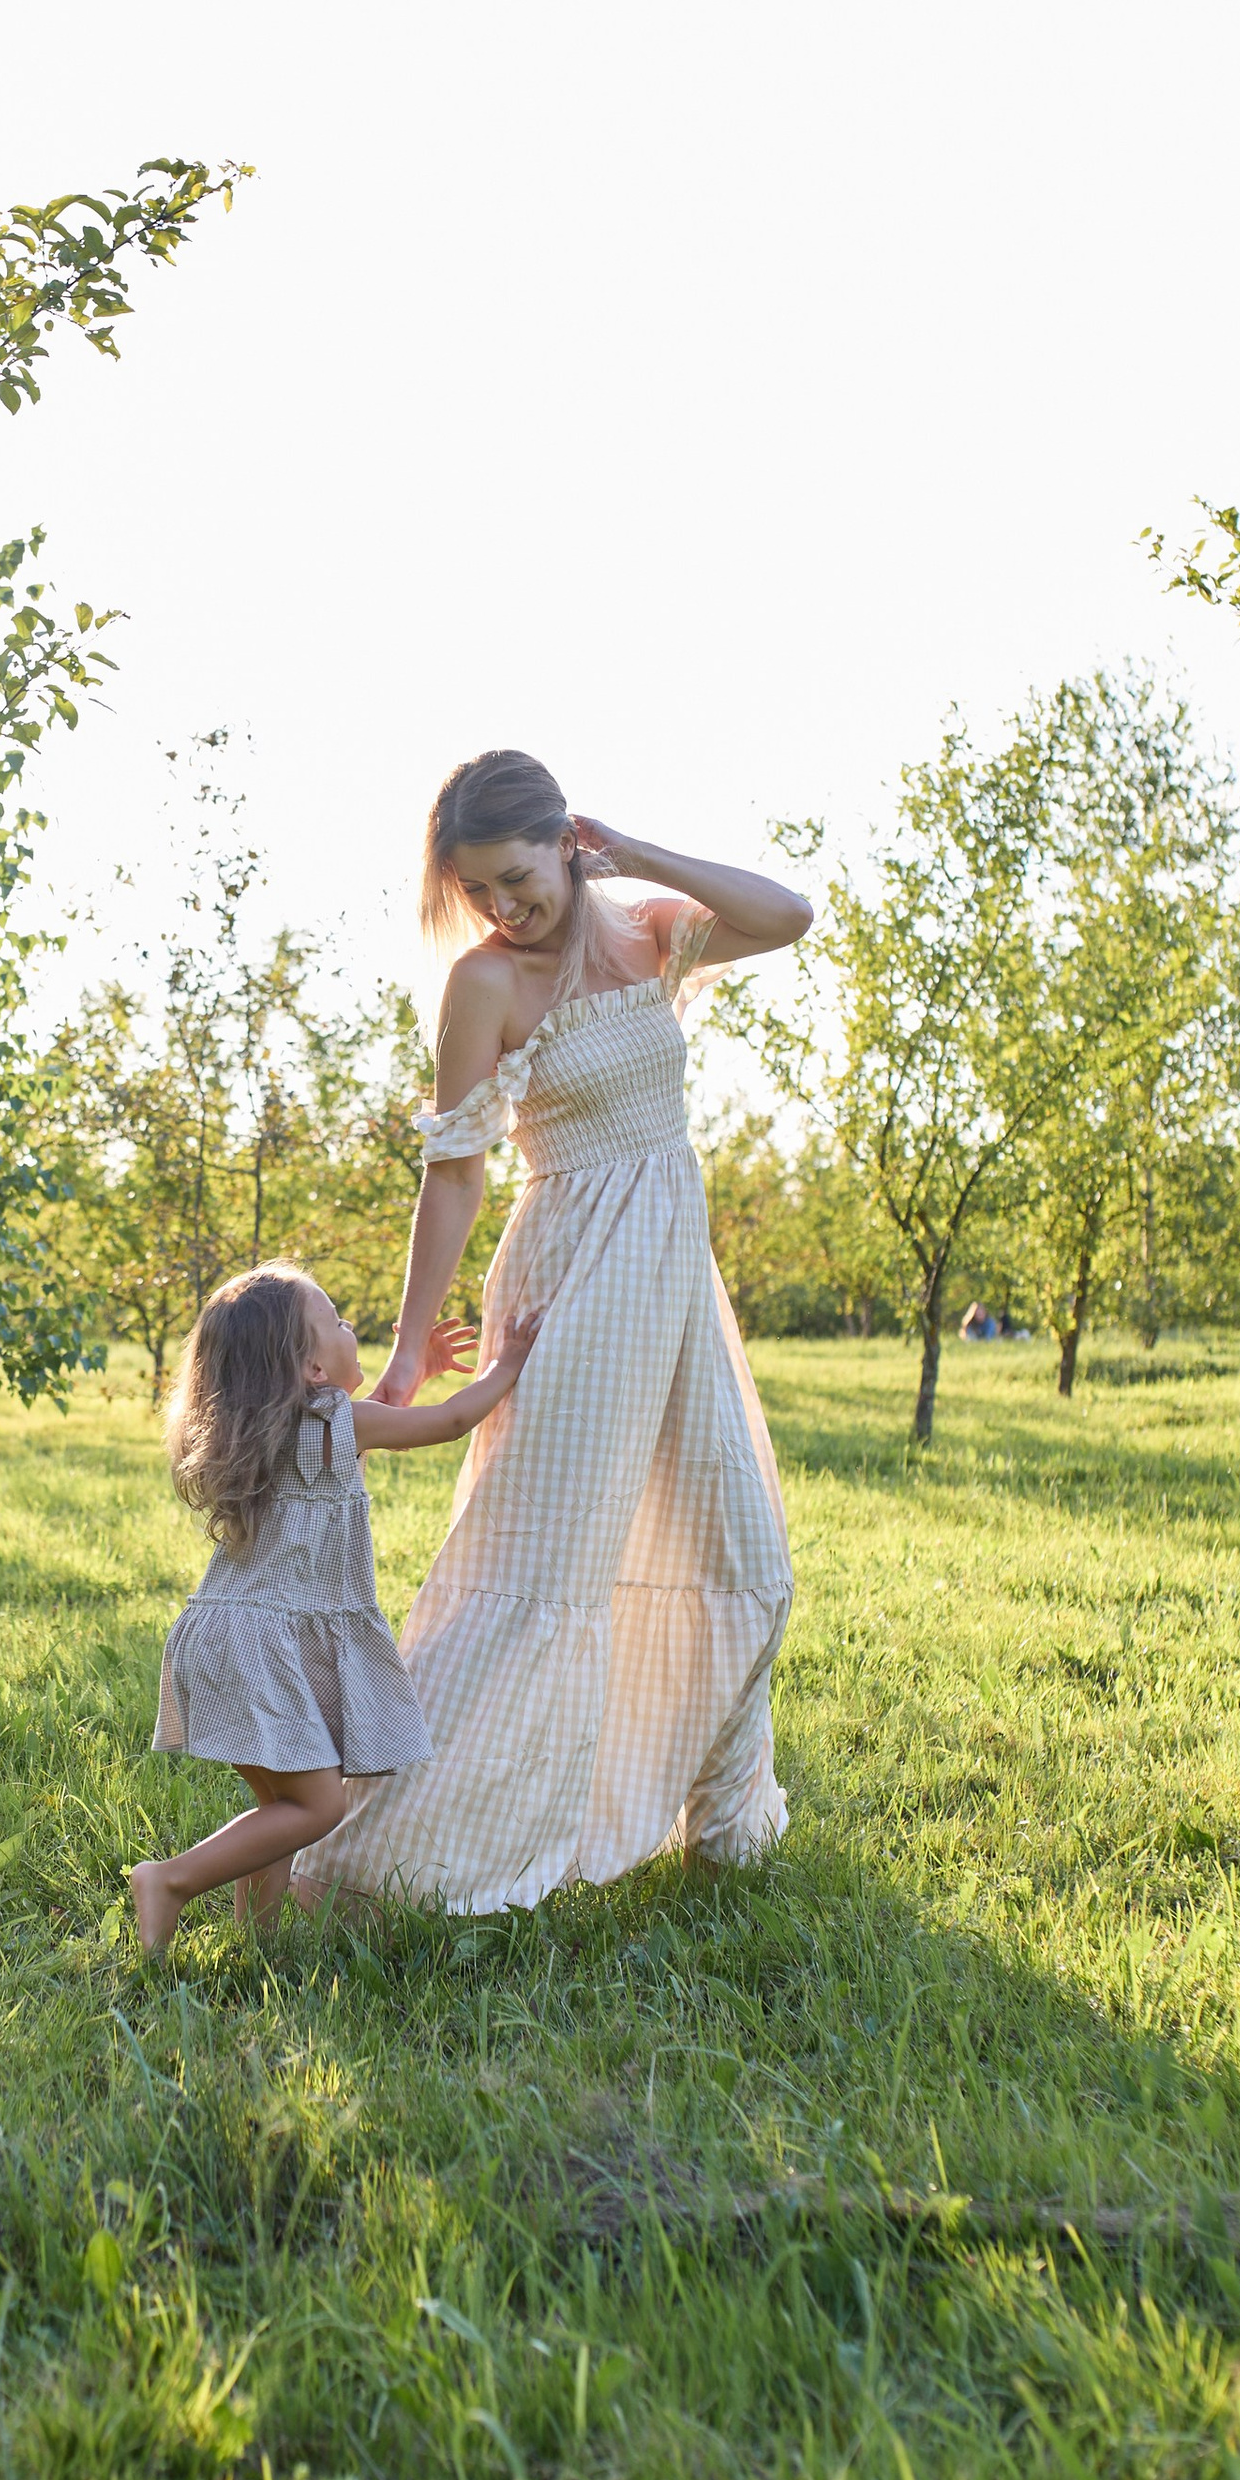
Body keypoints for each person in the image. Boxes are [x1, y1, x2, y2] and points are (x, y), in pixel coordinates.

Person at [294, 749, 813, 1919]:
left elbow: (787, 916)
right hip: (569, 1282)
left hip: (671, 1273)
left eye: (517, 877)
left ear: (569, 846)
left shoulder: (651, 932)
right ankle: (399, 1856)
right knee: (538, 1569)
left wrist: (636, 854)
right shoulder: (483, 982)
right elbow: (455, 1173)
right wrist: (411, 1344)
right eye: (476, 888)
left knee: (743, 1554)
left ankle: (723, 1826)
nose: (500, 905)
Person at [132, 1263, 541, 1959]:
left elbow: (379, 1417)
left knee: (281, 1808)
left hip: (222, 1634)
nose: (351, 1328)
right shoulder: (337, 1425)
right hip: (264, 1644)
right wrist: (508, 1364)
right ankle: (169, 1880)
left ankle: (256, 1944)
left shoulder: (272, 1430)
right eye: (339, 1321)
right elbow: (448, 1423)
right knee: (317, 1807)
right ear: (314, 1369)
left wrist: (419, 1371)